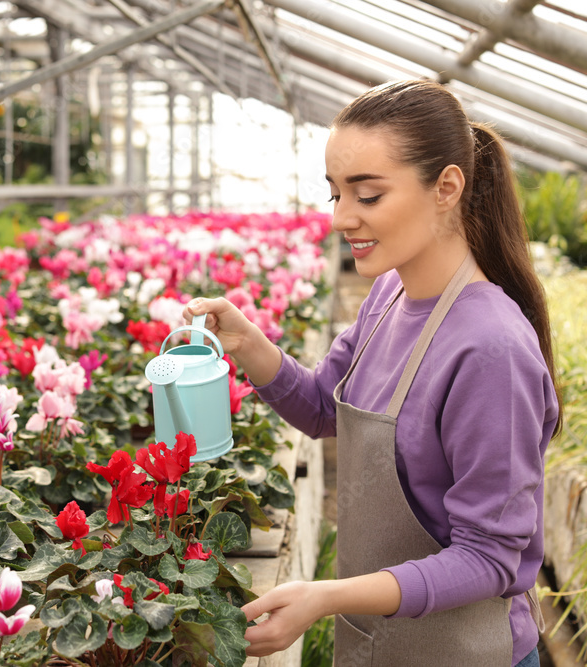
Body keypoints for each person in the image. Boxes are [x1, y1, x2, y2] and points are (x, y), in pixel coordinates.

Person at [184, 79, 562, 667]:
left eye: (367, 196)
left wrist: (328, 597)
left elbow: (492, 558)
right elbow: (322, 408)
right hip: (382, 645)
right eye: (335, 194)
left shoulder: (490, 349)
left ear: (446, 188)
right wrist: (246, 342)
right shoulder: (389, 294)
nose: (341, 219)